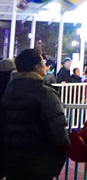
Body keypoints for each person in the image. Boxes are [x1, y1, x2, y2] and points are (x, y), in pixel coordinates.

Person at [0, 48, 69, 180]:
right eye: (43, 62)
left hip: (13, 161)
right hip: (39, 162)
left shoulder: (10, 90)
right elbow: (59, 132)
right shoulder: (44, 92)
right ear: (37, 66)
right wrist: (57, 160)